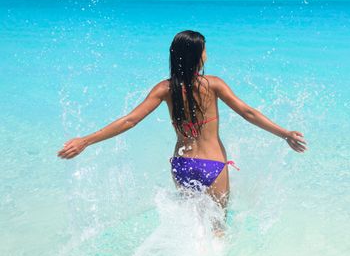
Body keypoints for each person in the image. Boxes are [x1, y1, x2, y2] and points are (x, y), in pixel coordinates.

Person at [57, 30, 307, 225]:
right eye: (205, 49)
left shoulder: (164, 89)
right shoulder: (214, 84)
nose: (207, 53)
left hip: (182, 165)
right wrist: (284, 133)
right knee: (217, 226)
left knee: (192, 223)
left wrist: (85, 141)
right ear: (199, 55)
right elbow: (248, 112)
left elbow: (129, 120)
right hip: (213, 165)